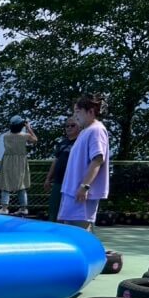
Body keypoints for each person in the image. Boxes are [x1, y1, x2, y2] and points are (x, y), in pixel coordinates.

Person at [60, 94, 109, 230]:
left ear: (90, 112)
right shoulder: (84, 131)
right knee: (70, 232)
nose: (75, 116)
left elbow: (97, 159)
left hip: (81, 192)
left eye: (78, 112)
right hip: (72, 191)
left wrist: (85, 186)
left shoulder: (97, 130)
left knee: (80, 232)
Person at [0, 115, 38, 215]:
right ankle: (23, 208)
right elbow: (35, 139)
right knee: (21, 185)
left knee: (5, 184)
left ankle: (4, 208)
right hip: (21, 162)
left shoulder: (6, 136)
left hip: (8, 160)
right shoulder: (24, 136)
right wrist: (28, 128)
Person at [43, 117, 81, 222]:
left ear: (79, 126)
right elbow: (55, 161)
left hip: (73, 183)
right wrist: (48, 178)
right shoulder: (62, 143)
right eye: (67, 126)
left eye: (72, 125)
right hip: (59, 181)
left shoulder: (81, 142)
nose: (69, 128)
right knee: (54, 210)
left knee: (71, 212)